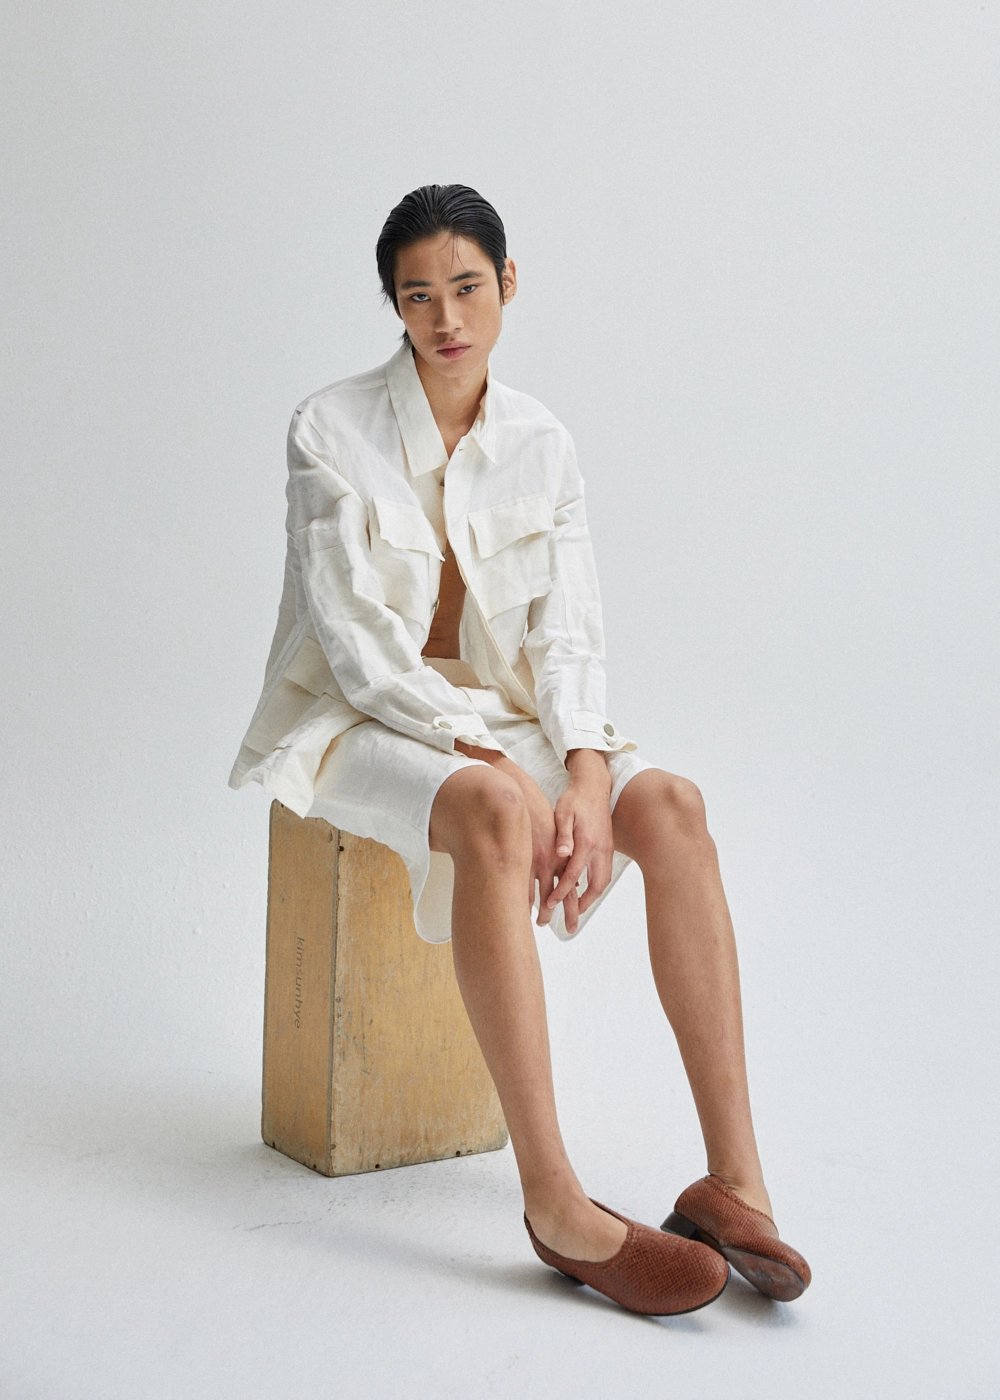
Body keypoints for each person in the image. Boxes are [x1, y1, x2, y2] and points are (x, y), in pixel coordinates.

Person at [230, 184, 811, 1315]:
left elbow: (568, 633)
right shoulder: (328, 429)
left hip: (503, 717)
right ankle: (556, 1202)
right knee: (495, 809)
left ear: (506, 282)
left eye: (466, 286)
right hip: (356, 719)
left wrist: (585, 766)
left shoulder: (542, 442)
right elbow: (356, 648)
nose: (446, 317)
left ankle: (735, 1184)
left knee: (673, 805)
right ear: (393, 304)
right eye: (418, 295)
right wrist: (493, 764)